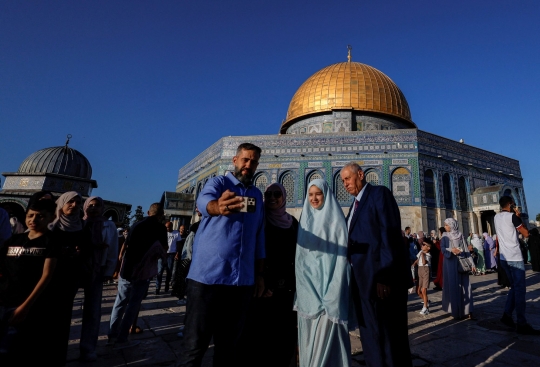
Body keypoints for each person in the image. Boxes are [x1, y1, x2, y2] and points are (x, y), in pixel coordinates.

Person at [178, 143, 266, 367]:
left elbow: (259, 237)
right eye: (245, 160)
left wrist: (260, 275)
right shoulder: (218, 183)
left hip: (241, 283)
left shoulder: (256, 195)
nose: (249, 165)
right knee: (194, 347)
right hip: (208, 279)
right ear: (235, 160)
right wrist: (218, 207)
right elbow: (204, 201)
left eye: (253, 161)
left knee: (228, 348)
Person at [341, 162, 412, 367]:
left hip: (381, 282)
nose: (345, 184)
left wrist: (384, 276)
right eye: (343, 180)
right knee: (371, 336)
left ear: (361, 175)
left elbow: (388, 236)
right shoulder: (353, 206)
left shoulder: (379, 195)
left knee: (390, 338)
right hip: (363, 283)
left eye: (347, 178)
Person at [294, 179, 352, 367]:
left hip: (329, 294)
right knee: (309, 342)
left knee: (328, 343)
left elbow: (341, 260)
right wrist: (304, 291)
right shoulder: (305, 221)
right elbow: (301, 260)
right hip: (308, 293)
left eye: (318, 193)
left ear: (326, 194)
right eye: (310, 195)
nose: (314, 198)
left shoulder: (336, 222)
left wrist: (333, 294)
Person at [239, 183, 299, 367]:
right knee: (259, 335)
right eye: (268, 194)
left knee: (282, 336)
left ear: (284, 197)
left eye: (277, 194)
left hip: (285, 288)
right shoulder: (259, 220)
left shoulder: (292, 223)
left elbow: (296, 256)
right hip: (261, 285)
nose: (272, 198)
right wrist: (262, 278)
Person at [0, 200, 58, 365]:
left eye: (40, 216)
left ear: (51, 218)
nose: (34, 220)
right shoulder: (15, 239)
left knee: (14, 348)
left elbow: (46, 275)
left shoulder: (51, 242)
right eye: (30, 215)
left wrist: (25, 306)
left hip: (26, 302)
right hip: (4, 298)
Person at [108, 203, 168, 348]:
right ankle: (122, 338)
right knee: (133, 304)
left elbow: (126, 244)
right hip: (143, 270)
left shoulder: (136, 224)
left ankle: (111, 335)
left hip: (128, 268)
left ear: (148, 212)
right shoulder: (160, 228)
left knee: (120, 302)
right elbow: (163, 249)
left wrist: (121, 258)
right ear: (162, 215)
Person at [46, 191, 93, 365]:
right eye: (70, 202)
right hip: (49, 276)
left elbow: (88, 248)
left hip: (70, 276)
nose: (74, 205)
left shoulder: (82, 225)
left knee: (63, 317)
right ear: (62, 203)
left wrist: (80, 252)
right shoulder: (51, 225)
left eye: (77, 202)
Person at [79, 196, 118, 361]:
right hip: (77, 269)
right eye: (90, 205)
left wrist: (109, 270)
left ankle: (88, 347)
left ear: (102, 208)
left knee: (93, 310)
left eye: (97, 206)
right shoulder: (78, 224)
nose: (93, 209)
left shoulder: (108, 225)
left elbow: (113, 249)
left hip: (97, 269)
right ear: (85, 207)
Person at [494, 196, 540, 335]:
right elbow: (526, 234)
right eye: (514, 204)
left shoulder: (496, 217)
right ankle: (522, 323)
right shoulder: (513, 217)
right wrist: (518, 217)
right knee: (520, 290)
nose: (516, 207)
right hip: (514, 257)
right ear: (510, 204)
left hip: (503, 258)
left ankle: (507, 316)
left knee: (514, 287)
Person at [440, 218, 476, 320]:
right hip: (450, 263)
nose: (445, 227)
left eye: (447, 225)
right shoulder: (445, 236)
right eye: (445, 225)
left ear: (452, 225)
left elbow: (465, 250)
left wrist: (472, 264)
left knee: (465, 287)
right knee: (453, 286)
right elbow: (442, 249)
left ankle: (468, 310)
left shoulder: (460, 235)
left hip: (462, 263)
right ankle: (455, 311)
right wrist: (451, 250)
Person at [155, 221, 182, 295]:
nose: (167, 228)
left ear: (171, 226)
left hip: (171, 254)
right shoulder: (162, 233)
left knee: (169, 271)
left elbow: (179, 244)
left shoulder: (176, 233)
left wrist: (177, 253)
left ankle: (167, 284)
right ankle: (157, 287)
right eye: (166, 227)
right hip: (162, 254)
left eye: (168, 227)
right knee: (159, 271)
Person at [413, 242, 431, 315]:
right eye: (422, 245)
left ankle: (425, 307)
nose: (422, 246)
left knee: (424, 290)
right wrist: (414, 263)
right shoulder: (420, 252)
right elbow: (418, 259)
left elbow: (424, 262)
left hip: (425, 270)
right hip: (419, 270)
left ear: (428, 248)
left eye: (424, 245)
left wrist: (423, 255)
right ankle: (426, 301)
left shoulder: (428, 255)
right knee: (418, 291)